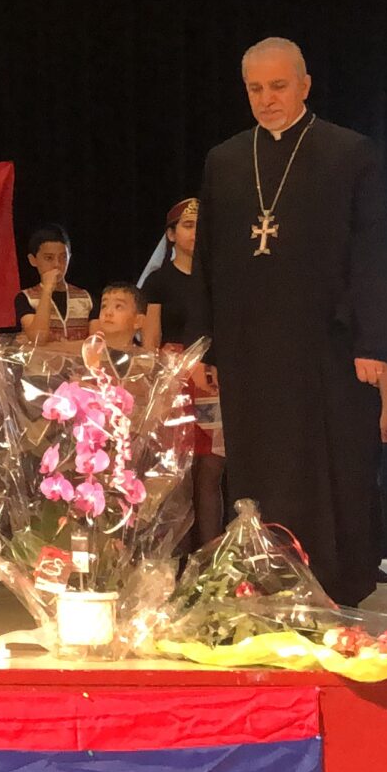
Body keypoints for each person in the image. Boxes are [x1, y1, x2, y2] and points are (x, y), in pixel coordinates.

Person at [198, 37, 387, 605]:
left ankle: (336, 580)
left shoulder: (348, 153)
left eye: (278, 86)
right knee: (259, 464)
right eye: (255, 89)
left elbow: (374, 252)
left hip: (329, 348)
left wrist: (374, 341)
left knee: (332, 464)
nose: (267, 100)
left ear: (305, 85)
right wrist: (205, 350)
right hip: (249, 350)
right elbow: (209, 260)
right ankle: (264, 576)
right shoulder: (226, 160)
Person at [140, 198, 225, 547]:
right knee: (179, 473)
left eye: (200, 226)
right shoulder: (159, 281)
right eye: (187, 226)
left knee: (211, 471)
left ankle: (210, 561)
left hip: (211, 379)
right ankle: (177, 559)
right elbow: (151, 338)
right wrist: (152, 385)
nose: (195, 233)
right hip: (174, 381)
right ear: (171, 234)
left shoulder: (219, 278)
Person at [15, 224, 92, 350]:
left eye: (63, 257)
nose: (57, 264)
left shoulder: (86, 298)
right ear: (33, 260)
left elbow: (96, 345)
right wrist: (47, 290)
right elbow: (38, 338)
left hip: (79, 369)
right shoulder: (25, 298)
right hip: (41, 369)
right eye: (49, 258)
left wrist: (55, 346)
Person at [90, 284, 144, 351]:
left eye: (118, 306)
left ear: (138, 321)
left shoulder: (142, 359)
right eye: (104, 306)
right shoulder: (85, 352)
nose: (108, 313)